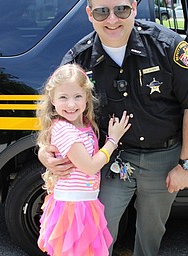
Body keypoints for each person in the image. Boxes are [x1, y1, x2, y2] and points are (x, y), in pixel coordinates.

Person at [38, 0, 188, 255]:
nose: (112, 20)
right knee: (98, 232)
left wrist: (186, 164)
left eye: (121, 9)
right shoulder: (79, 59)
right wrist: (43, 152)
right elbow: (56, 110)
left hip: (163, 159)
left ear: (134, 7)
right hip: (111, 161)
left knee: (151, 232)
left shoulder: (167, 46)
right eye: (102, 11)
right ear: (90, 14)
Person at [36, 63, 131, 256]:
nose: (71, 104)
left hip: (85, 203)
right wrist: (113, 141)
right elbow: (89, 166)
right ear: (52, 100)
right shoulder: (64, 129)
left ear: (87, 98)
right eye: (63, 97)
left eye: (77, 96)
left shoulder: (85, 125)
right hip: (72, 209)